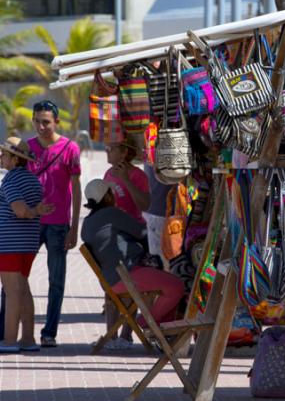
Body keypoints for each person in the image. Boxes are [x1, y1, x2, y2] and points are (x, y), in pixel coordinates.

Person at [80, 179, 185, 330]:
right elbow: (142, 232)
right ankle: (148, 322)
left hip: (112, 279)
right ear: (107, 196)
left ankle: (161, 329)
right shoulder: (110, 213)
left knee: (167, 283)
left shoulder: (88, 222)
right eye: (112, 193)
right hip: (126, 275)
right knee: (176, 286)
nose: (114, 196)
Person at [28, 99, 81, 348]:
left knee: (56, 282)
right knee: (14, 277)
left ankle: (49, 333)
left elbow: (77, 189)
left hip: (58, 224)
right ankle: (7, 329)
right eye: (37, 121)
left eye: (46, 122)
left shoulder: (70, 148)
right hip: (29, 223)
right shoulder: (26, 149)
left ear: (56, 122)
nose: (41, 127)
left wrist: (74, 227)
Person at [0, 137, 54, 353]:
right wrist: (36, 212)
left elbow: (20, 210)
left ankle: (10, 341)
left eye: (4, 154)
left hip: (9, 243)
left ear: (15, 159)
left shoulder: (11, 180)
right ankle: (28, 339)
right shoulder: (33, 180)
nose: (1, 157)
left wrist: (33, 212)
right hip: (27, 243)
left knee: (12, 291)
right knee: (23, 289)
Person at [104, 139, 149, 223]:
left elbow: (145, 206)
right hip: (113, 227)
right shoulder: (108, 173)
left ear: (124, 152)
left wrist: (126, 180)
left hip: (131, 229)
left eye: (111, 148)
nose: (107, 151)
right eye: (106, 148)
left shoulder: (138, 175)